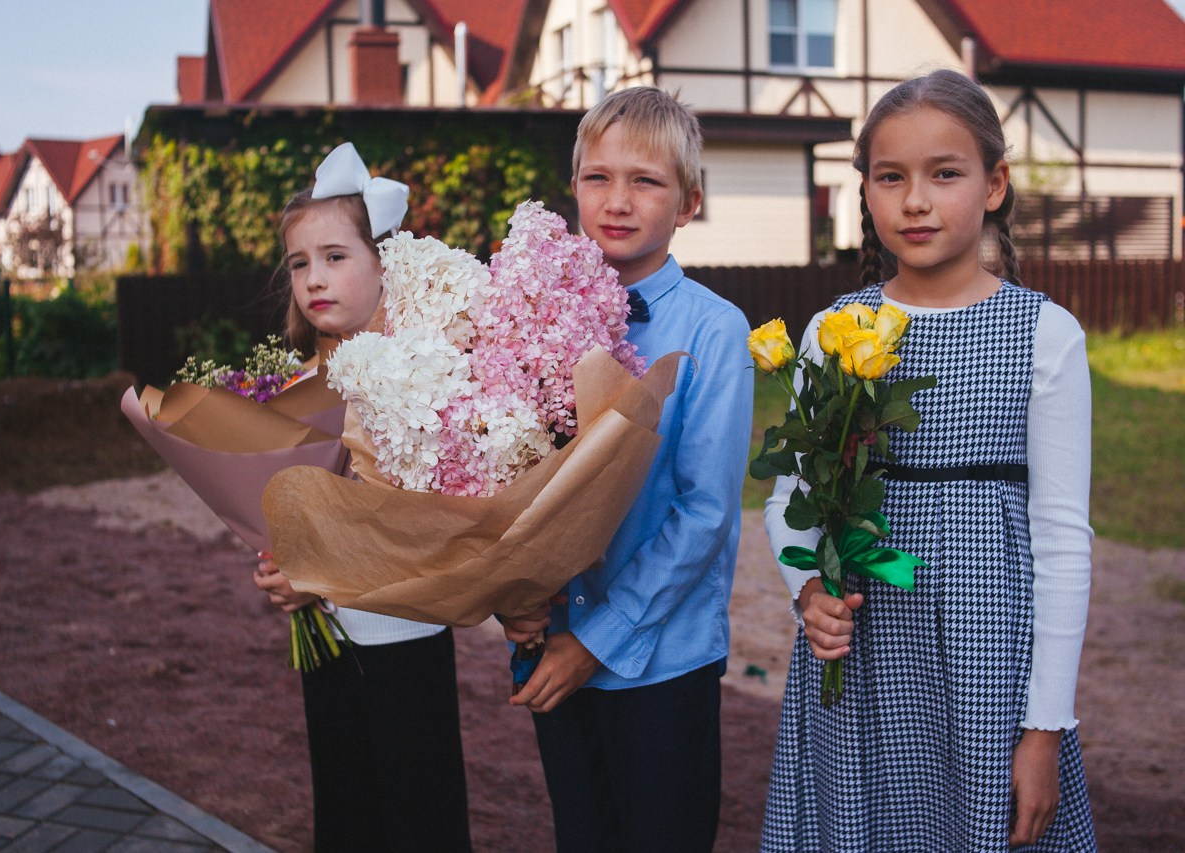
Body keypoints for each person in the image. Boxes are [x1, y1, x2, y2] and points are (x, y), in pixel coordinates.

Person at [762, 68, 1096, 851]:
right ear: (867, 194)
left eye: (944, 174)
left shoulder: (1044, 334)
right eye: (891, 177)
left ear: (994, 185)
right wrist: (806, 586)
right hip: (864, 654)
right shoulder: (835, 329)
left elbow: (1061, 537)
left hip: (987, 661)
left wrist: (1045, 727)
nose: (915, 200)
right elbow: (790, 496)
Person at [501, 87, 755, 851]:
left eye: (646, 180)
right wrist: (510, 599)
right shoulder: (527, 312)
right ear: (572, 185)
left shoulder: (715, 330)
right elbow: (498, 470)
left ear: (690, 201)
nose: (617, 200)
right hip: (549, 647)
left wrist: (597, 640)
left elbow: (704, 513)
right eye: (597, 177)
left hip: (660, 660)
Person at [253, 143, 472, 853]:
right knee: (345, 813)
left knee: (420, 816)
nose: (315, 278)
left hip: (406, 636)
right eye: (300, 263)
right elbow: (288, 507)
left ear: (384, 263)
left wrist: (327, 559)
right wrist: (282, 567)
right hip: (329, 643)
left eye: (336, 257)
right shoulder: (289, 385)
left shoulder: (422, 371)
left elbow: (432, 520)